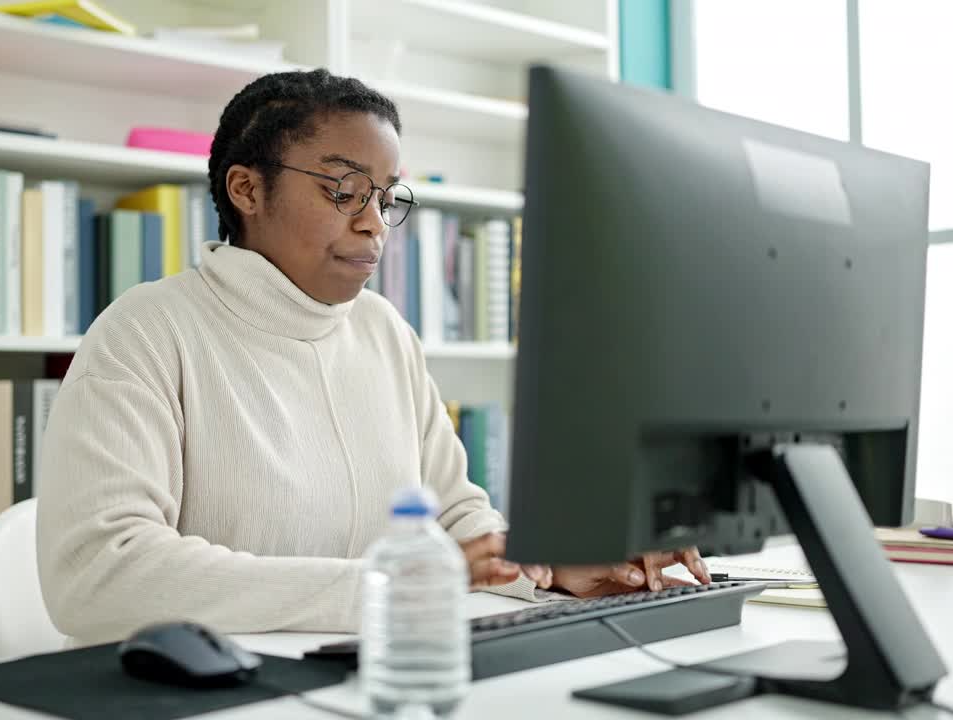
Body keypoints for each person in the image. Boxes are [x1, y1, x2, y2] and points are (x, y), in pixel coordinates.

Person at [36, 69, 710, 647]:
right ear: (246, 190)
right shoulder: (146, 333)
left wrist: (545, 569)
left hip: (361, 674)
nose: (372, 223)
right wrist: (386, 586)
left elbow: (454, 516)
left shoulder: (384, 331)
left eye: (386, 199)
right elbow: (100, 574)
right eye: (344, 190)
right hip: (195, 694)